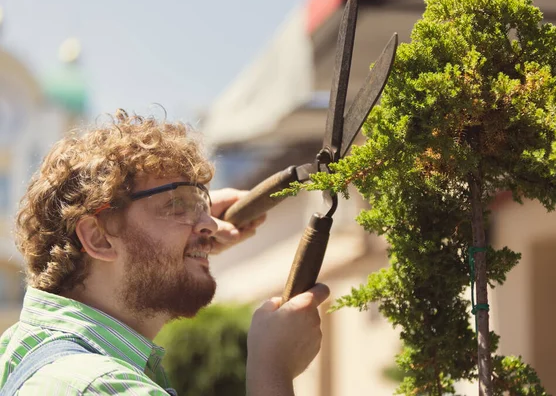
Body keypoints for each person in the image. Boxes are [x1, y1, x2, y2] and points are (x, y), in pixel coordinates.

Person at [0, 110, 329, 396]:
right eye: (175, 205)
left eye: (202, 204)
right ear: (98, 239)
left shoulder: (20, 351)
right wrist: (272, 371)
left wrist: (188, 228)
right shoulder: (103, 386)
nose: (208, 225)